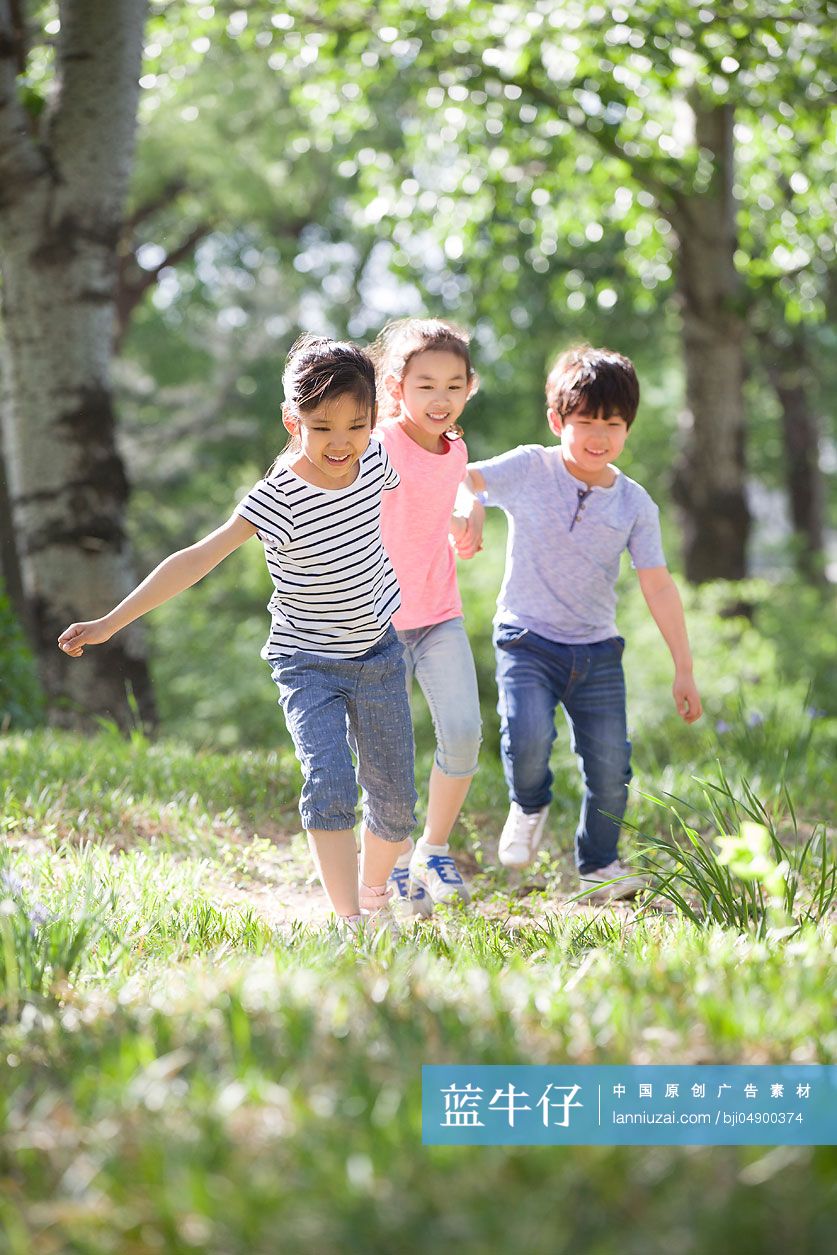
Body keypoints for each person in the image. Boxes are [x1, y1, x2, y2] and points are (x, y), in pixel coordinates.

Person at [58, 335, 417, 933]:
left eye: (356, 425)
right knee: (329, 780)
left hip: (378, 652)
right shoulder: (279, 496)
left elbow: (422, 471)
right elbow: (194, 559)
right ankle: (350, 919)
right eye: (322, 426)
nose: (341, 442)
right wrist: (108, 623)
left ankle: (376, 893)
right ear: (291, 420)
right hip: (307, 663)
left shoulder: (376, 459)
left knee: (396, 802)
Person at [463, 344, 703, 901]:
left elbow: (658, 585)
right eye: (586, 421)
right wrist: (468, 505)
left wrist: (684, 668)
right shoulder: (531, 467)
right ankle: (529, 803)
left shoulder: (636, 505)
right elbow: (464, 477)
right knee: (526, 738)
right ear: (557, 420)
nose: (599, 435)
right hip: (526, 638)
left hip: (596, 652)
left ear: (628, 428)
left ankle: (600, 864)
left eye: (613, 424)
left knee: (612, 767)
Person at [371, 318, 483, 914]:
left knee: (464, 733)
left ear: (469, 388)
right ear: (396, 388)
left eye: (453, 385)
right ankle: (391, 858)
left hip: (438, 614)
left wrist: (471, 510)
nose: (440, 399)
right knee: (384, 758)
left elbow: (456, 484)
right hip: (376, 622)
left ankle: (434, 848)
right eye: (425, 386)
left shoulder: (456, 446)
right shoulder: (379, 441)